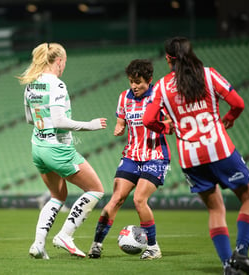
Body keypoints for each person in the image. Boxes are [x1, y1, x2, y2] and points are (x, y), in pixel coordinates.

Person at [143, 37, 249, 275]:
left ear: (168, 59)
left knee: (215, 209)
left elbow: (148, 120)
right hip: (219, 149)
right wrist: (229, 118)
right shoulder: (208, 75)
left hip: (190, 158)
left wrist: (168, 128)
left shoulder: (161, 87)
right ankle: (241, 253)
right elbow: (238, 103)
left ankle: (227, 266)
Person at [18, 42, 107, 259]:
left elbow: (29, 119)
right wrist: (90, 125)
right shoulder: (57, 85)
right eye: (64, 62)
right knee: (96, 189)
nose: (64, 66)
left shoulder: (31, 84)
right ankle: (65, 235)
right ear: (59, 61)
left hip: (37, 147)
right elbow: (59, 120)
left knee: (58, 195)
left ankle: (38, 244)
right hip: (57, 149)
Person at [88, 59, 170, 260]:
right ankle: (96, 244)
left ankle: (153, 248)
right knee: (116, 199)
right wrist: (120, 127)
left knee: (139, 199)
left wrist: (160, 124)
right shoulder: (124, 97)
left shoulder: (159, 97)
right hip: (132, 155)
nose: (134, 86)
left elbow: (171, 121)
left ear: (149, 80)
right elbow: (121, 121)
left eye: (138, 82)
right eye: (131, 81)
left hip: (155, 156)